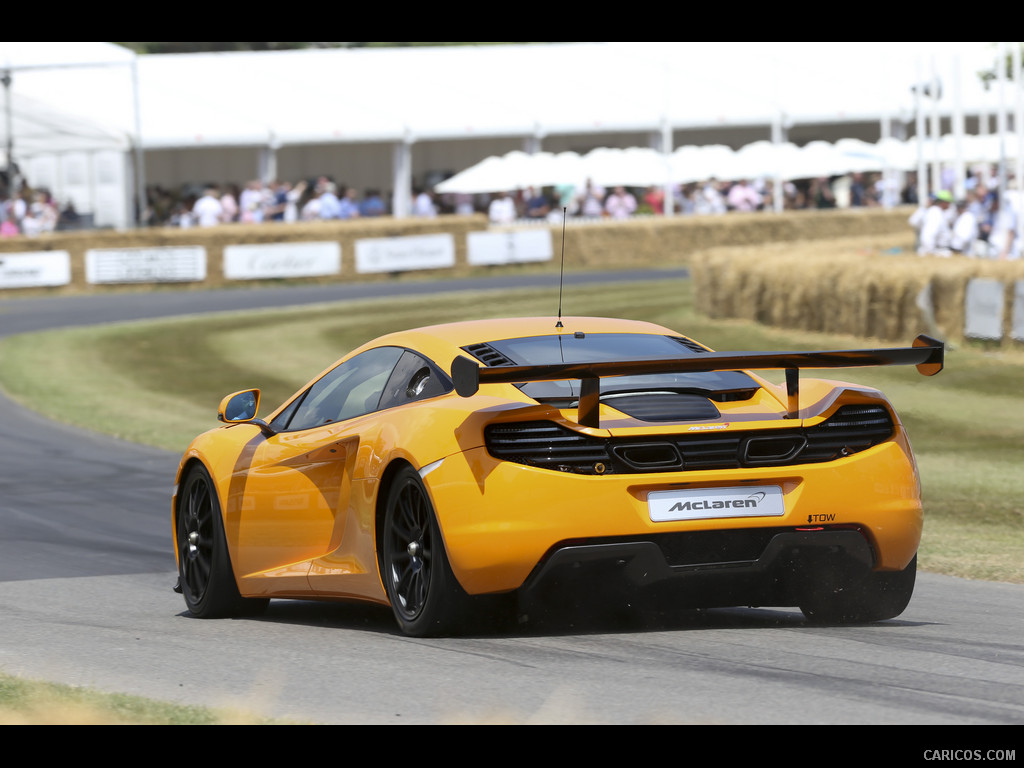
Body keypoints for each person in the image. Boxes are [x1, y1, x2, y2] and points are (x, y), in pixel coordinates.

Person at [917, 190, 954, 256]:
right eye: (948, 202)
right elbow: (928, 235)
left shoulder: (935, 212)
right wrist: (930, 252)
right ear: (943, 202)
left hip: (937, 250)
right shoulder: (935, 214)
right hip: (938, 252)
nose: (949, 205)